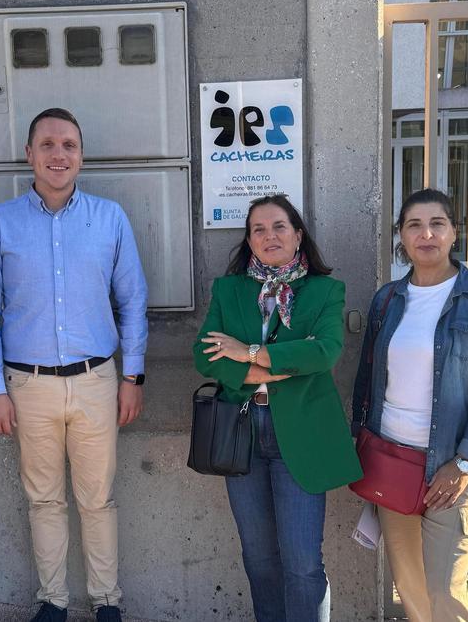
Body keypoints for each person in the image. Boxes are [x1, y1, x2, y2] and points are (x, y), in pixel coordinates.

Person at [0, 108, 148, 622]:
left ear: (81, 155)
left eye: (69, 145)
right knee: (44, 500)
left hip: (97, 381)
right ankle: (52, 601)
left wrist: (133, 376)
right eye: (47, 144)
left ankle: (107, 601)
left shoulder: (109, 218)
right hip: (27, 386)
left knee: (98, 499)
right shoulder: (0, 222)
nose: (58, 154)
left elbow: (133, 301)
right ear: (29, 154)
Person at [192, 194, 362, 622]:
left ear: (298, 235)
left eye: (279, 226)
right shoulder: (228, 290)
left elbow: (324, 352)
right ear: (249, 240)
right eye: (259, 229)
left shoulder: (325, 290)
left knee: (302, 563)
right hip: (241, 433)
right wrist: (273, 367)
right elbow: (204, 355)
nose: (270, 236)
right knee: (259, 558)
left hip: (301, 435)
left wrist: (247, 351)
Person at [351, 188, 468, 622]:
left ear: (454, 232)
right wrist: (359, 442)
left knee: (448, 592)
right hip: (392, 461)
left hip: (453, 468)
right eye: (414, 226)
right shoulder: (387, 299)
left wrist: (464, 463)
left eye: (437, 224)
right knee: (411, 589)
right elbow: (368, 380)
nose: (426, 234)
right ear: (401, 237)